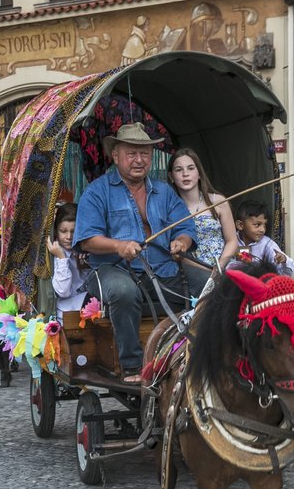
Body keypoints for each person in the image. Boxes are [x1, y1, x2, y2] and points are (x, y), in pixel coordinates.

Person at [73, 123, 207, 385]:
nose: (139, 160)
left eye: (144, 153)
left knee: (211, 283)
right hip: (113, 269)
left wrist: (181, 241)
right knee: (124, 292)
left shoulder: (164, 191)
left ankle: (200, 353)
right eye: (131, 153)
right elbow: (87, 239)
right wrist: (118, 246)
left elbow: (186, 227)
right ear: (115, 156)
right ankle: (133, 366)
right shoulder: (97, 192)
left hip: (164, 268)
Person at [167, 148, 237, 268]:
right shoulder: (169, 208)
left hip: (224, 267)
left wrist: (219, 267)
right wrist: (204, 271)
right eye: (179, 170)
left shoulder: (218, 201)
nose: (185, 174)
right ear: (171, 176)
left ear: (199, 173)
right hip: (190, 271)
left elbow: (232, 241)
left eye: (191, 168)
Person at [45, 203, 90, 322]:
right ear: (56, 231)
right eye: (63, 231)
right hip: (66, 311)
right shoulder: (55, 253)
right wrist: (61, 258)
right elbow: (63, 292)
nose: (69, 236)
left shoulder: (83, 250)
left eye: (73, 231)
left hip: (86, 305)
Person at [233, 200, 294, 276]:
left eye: (264, 225)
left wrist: (283, 260)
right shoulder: (231, 241)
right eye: (257, 224)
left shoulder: (267, 244)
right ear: (240, 225)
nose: (262, 230)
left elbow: (285, 273)